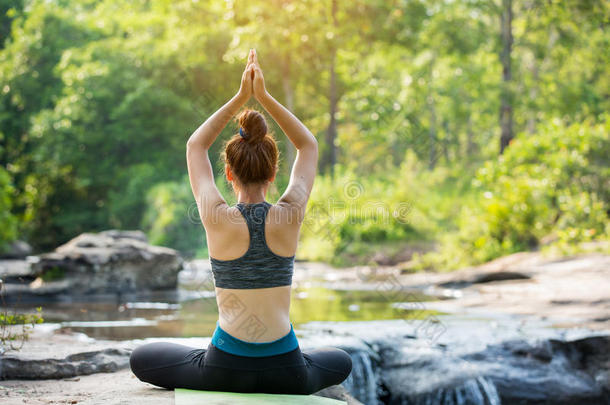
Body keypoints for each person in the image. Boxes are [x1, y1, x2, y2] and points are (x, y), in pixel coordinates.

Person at [129, 48, 353, 395]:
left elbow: (195, 146)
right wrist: (263, 96)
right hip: (288, 372)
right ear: (274, 171)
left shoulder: (216, 218)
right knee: (341, 360)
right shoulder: (290, 213)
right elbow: (308, 145)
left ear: (228, 173)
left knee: (142, 357)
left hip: (224, 368)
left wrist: (240, 98)